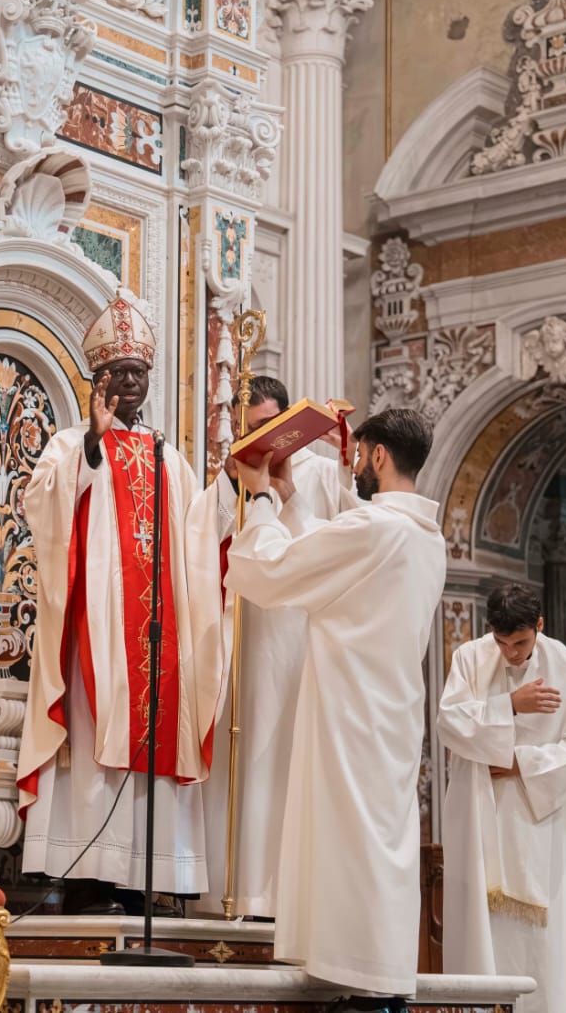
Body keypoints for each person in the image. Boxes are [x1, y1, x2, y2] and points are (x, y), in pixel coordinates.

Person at [223, 408, 447, 1010]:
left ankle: (368, 990)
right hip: (391, 712)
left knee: (353, 841)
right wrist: (291, 500)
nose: (356, 469)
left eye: (360, 457)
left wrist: (261, 498)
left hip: (351, 709)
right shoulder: (427, 538)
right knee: (378, 843)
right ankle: (382, 984)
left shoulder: (376, 527)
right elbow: (333, 559)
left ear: (378, 455)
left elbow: (269, 571)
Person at [15, 290, 225, 912]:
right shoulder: (70, 445)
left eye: (138, 373)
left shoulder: (169, 458)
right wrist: (91, 446)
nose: (129, 383)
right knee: (95, 745)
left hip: (159, 633)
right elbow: (41, 507)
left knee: (152, 745)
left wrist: (237, 492)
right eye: (117, 373)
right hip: (96, 633)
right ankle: (87, 879)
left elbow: (200, 533)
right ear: (98, 380)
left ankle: (141, 881)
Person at [189, 376, 350, 921]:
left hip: (300, 644)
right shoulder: (228, 480)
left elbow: (344, 543)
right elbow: (203, 542)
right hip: (244, 643)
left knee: (292, 764)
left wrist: (304, 484)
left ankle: (286, 898)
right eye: (254, 428)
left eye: (274, 426)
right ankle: (230, 890)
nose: (266, 438)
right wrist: (235, 483)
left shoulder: (320, 474)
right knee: (244, 763)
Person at [437, 584, 566, 1013]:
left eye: (521, 643)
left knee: (547, 950)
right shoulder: (470, 658)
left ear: (539, 625)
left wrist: (519, 763)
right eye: (502, 642)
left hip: (546, 828)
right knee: (486, 938)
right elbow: (449, 723)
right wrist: (509, 704)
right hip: (484, 819)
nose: (510, 653)